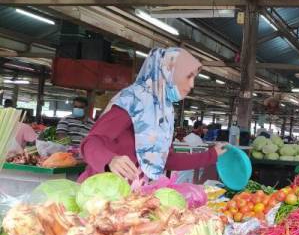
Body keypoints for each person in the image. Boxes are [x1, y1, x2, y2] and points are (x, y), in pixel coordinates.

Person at [79, 48, 228, 182]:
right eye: (188, 76)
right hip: (101, 192)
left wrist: (212, 154)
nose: (192, 85)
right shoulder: (134, 99)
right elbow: (91, 142)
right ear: (168, 72)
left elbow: (165, 160)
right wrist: (110, 160)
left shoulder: (163, 111)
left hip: (131, 195)